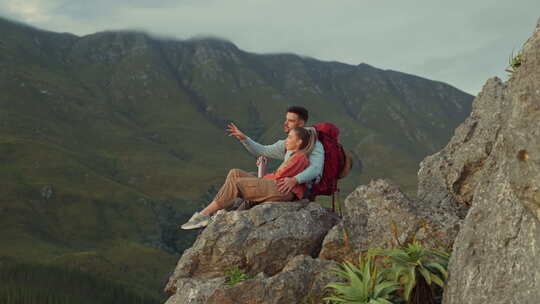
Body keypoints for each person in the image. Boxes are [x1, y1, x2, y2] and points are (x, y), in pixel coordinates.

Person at [180, 127, 316, 230]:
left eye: (290, 137)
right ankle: (220, 212)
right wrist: (261, 169)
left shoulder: (299, 158)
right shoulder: (294, 155)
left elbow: (278, 177)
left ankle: (203, 215)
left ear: (299, 142)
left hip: (281, 190)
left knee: (236, 183)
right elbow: (273, 176)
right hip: (276, 185)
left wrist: (261, 173)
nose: (286, 140)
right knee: (235, 173)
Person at [227, 106, 325, 196]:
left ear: (301, 124)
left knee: (240, 182)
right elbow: (263, 151)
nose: (285, 123)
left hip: (296, 189)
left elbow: (315, 169)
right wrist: (244, 139)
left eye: (290, 121)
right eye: (286, 119)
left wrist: (295, 180)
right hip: (282, 182)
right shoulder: (287, 143)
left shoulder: (314, 143)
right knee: (242, 175)